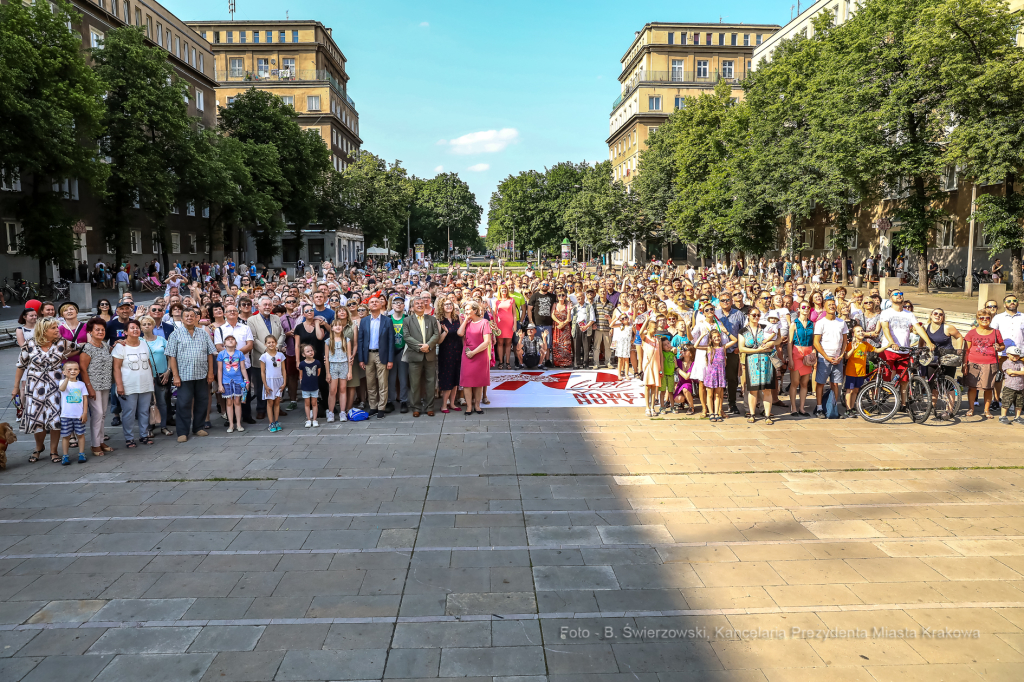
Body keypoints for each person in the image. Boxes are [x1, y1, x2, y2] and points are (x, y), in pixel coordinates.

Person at [12, 317, 73, 463]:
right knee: (37, 419)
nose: (57, 330)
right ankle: (39, 448)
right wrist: (15, 388)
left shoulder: (63, 343)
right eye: (53, 328)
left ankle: (54, 451)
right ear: (43, 331)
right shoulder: (29, 344)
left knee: (55, 418)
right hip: (35, 386)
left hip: (56, 385)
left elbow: (82, 348)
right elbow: (20, 366)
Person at [166, 308, 217, 442]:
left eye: (192, 316)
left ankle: (198, 427)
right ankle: (182, 432)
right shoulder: (175, 335)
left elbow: (210, 354)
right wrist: (175, 376)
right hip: (184, 376)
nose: (189, 318)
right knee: (183, 403)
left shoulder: (203, 333)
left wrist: (211, 372)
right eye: (186, 316)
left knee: (202, 402)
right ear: (182, 319)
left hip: (202, 374)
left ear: (196, 318)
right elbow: (171, 356)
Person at [111, 318, 154, 448]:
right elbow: (116, 368)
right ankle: (129, 438)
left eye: (137, 327)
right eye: (132, 328)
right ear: (125, 332)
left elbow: (148, 362)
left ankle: (144, 435)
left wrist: (151, 379)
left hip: (145, 383)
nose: (135, 330)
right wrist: (119, 386)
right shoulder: (120, 346)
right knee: (129, 412)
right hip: (128, 385)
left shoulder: (144, 343)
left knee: (144, 411)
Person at [247, 296, 285, 421]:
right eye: (265, 305)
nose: (267, 307)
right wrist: (267, 351)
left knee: (277, 381)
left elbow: (282, 334)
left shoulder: (276, 318)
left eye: (269, 304)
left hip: (276, 356)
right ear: (258, 306)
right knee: (260, 384)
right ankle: (261, 409)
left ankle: (276, 406)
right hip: (261, 356)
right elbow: (253, 337)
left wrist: (277, 347)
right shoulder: (252, 320)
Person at [357, 295, 396, 419]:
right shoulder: (364, 321)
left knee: (383, 382)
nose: (374, 303)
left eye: (376, 302)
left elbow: (391, 341)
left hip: (382, 355)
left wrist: (390, 359)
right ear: (368, 306)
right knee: (370, 382)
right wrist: (361, 359)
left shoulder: (387, 320)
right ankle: (373, 406)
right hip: (368, 355)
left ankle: (381, 408)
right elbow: (361, 340)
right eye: (371, 302)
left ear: (381, 305)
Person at [963, 310, 1004, 419]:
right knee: (972, 387)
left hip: (990, 363)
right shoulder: (971, 332)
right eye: (982, 318)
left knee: (988, 388)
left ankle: (986, 410)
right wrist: (964, 364)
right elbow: (966, 350)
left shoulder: (996, 332)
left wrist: (999, 348)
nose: (985, 320)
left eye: (987, 318)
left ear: (990, 319)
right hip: (973, 363)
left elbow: (1002, 346)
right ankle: (971, 408)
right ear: (977, 320)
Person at [813, 299, 849, 418]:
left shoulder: (841, 322)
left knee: (835, 384)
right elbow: (816, 342)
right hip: (824, 358)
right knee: (821, 383)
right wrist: (826, 357)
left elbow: (845, 341)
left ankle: (833, 408)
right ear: (824, 308)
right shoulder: (820, 322)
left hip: (837, 358)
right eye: (829, 305)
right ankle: (819, 408)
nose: (832, 306)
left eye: (833, 304)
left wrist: (842, 355)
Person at [404, 297, 440, 417]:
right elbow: (407, 336)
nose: (420, 305)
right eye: (417, 303)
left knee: (430, 382)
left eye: (422, 303)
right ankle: (416, 407)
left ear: (425, 305)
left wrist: (428, 346)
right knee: (415, 383)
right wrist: (420, 347)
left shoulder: (432, 319)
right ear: (412, 307)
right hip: (415, 355)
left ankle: (430, 407)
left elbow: (436, 334)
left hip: (429, 355)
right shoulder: (407, 320)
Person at [739, 309, 776, 424]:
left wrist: (772, 343)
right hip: (752, 362)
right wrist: (758, 349)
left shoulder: (765, 327)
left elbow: (778, 337)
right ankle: (752, 413)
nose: (756, 317)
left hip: (766, 361)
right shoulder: (743, 331)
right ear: (749, 316)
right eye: (754, 315)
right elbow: (741, 348)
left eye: (758, 315)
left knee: (767, 390)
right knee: (753, 390)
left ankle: (767, 415)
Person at [458, 300, 491, 415]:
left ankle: (477, 406)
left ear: (475, 310)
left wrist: (474, 352)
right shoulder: (466, 322)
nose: (465, 311)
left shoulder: (484, 322)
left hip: (480, 354)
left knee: (479, 382)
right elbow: (460, 333)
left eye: (468, 309)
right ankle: (468, 406)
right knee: (467, 382)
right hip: (467, 354)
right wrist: (466, 320)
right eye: (465, 310)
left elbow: (487, 342)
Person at [698, 328, 736, 422]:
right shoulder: (709, 348)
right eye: (714, 337)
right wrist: (702, 335)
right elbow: (696, 346)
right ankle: (711, 413)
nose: (717, 338)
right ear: (711, 339)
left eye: (718, 336)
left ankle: (716, 412)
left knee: (718, 395)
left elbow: (735, 340)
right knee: (710, 395)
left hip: (720, 374)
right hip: (711, 375)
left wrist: (727, 332)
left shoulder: (723, 347)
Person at [58, 361, 89, 465]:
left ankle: (81, 453)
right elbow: (62, 389)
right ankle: (65, 455)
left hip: (78, 415)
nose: (73, 371)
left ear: (79, 371)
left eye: (75, 369)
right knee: (66, 436)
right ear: (64, 372)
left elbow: (85, 399)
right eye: (69, 369)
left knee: (80, 434)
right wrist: (67, 378)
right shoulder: (62, 382)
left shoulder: (81, 384)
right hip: (66, 415)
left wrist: (85, 412)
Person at [217, 334, 248, 433]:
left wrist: (246, 380)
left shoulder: (240, 354)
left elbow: (243, 368)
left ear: (236, 343)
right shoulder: (221, 354)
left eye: (232, 339)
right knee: (229, 402)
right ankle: (231, 424)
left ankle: (238, 423)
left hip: (238, 381)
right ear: (224, 344)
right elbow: (219, 370)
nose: (230, 341)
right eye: (228, 339)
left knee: (237, 402)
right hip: (226, 382)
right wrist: (220, 384)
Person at [325, 316, 353, 422]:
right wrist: (327, 373)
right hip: (333, 366)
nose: (338, 327)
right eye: (335, 325)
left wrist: (350, 371)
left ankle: (342, 412)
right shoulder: (328, 341)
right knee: (332, 390)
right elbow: (326, 358)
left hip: (344, 365)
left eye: (340, 325)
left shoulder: (346, 340)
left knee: (342, 389)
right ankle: (331, 412)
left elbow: (349, 356)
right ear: (331, 328)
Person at [437, 299, 463, 412]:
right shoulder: (439, 320)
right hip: (446, 353)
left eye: (450, 304)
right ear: (441, 306)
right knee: (447, 379)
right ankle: (443, 405)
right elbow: (438, 341)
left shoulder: (458, 318)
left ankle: (452, 404)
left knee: (456, 378)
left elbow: (462, 335)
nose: (449, 306)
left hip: (458, 351)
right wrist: (445, 333)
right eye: (446, 304)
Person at [387, 296, 410, 414]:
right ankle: (390, 401)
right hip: (391, 352)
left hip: (404, 351)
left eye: (400, 303)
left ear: (404, 306)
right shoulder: (387, 319)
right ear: (392, 305)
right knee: (390, 378)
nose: (398, 305)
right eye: (396, 303)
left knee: (403, 378)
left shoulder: (408, 319)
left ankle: (404, 401)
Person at [527, 281, 557, 365]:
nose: (545, 286)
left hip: (549, 324)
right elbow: (529, 309)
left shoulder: (553, 296)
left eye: (547, 285)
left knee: (547, 344)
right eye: (543, 284)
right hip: (537, 324)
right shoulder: (535, 296)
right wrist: (530, 321)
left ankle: (547, 360)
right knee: (538, 344)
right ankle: (538, 360)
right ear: (539, 285)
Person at [844, 327, 871, 417]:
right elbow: (846, 357)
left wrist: (888, 345)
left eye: (862, 331)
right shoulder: (851, 344)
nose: (861, 332)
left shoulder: (866, 344)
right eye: (858, 331)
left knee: (855, 390)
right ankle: (848, 409)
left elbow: (876, 350)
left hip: (861, 372)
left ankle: (852, 407)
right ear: (853, 334)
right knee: (850, 390)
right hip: (851, 371)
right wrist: (853, 348)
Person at [260, 336, 286, 431]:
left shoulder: (280, 355)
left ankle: (276, 421)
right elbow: (263, 372)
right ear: (265, 344)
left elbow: (283, 370)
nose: (271, 344)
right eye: (269, 342)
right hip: (269, 381)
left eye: (273, 342)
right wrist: (265, 385)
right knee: (270, 402)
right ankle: (271, 423)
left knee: (277, 402)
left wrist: (284, 382)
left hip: (279, 381)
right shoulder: (264, 356)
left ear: (276, 343)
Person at [640, 321, 663, 416]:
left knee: (654, 386)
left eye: (656, 328)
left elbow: (660, 354)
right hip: (648, 365)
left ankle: (653, 407)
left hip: (656, 365)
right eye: (654, 328)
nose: (655, 330)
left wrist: (661, 366)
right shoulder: (645, 339)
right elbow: (640, 333)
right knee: (647, 386)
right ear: (648, 328)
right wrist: (646, 321)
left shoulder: (658, 340)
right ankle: (647, 407)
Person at [493, 284, 517, 369]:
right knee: (500, 343)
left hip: (509, 324)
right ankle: (501, 362)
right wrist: (495, 325)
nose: (504, 290)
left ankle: (507, 362)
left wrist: (515, 324)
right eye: (502, 289)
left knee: (508, 343)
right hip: (499, 324)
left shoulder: (511, 300)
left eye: (505, 288)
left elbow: (514, 313)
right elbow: (494, 313)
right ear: (499, 290)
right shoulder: (496, 301)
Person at [298, 343, 322, 427]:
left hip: (314, 386)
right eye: (308, 351)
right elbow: (301, 375)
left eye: (311, 350)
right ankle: (308, 419)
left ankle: (315, 419)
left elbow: (318, 373)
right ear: (303, 354)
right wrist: (302, 382)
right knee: (307, 403)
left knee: (314, 403)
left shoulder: (317, 362)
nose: (311, 352)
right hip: (305, 387)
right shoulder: (302, 364)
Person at [1000, 346, 1024, 424]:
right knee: (1006, 402)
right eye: (1013, 355)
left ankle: (1017, 417)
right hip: (1009, 386)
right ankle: (1003, 416)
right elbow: (1009, 372)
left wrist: (1014, 373)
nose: (1016, 357)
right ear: (1008, 354)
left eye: (1017, 355)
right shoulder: (1006, 363)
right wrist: (1018, 373)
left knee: (1019, 403)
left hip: (1020, 387)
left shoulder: (1020, 363)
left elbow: (1023, 372)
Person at [551, 291, 573, 367]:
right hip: (557, 327)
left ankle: (566, 363)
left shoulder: (567, 305)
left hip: (565, 327)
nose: (561, 296)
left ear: (565, 296)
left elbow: (569, 318)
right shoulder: (555, 304)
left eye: (563, 295)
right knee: (556, 344)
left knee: (565, 345)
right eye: (559, 295)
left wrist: (563, 324)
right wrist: (559, 322)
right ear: (557, 296)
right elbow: (552, 315)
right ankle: (557, 363)